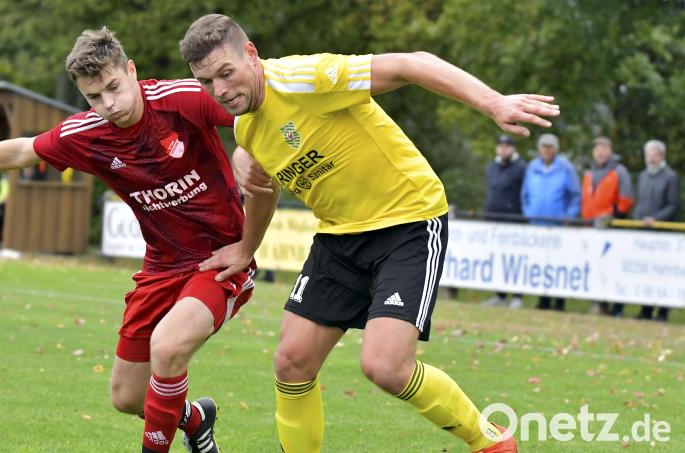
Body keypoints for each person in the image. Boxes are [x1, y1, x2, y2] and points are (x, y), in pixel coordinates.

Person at [181, 14, 560, 453]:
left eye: (226, 73)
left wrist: (492, 102)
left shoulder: (306, 78)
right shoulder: (248, 128)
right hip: (340, 237)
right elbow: (262, 192)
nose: (221, 91)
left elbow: (410, 63)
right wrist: (247, 248)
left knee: (385, 367)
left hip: (408, 221)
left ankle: (492, 443)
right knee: (291, 361)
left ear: (251, 55)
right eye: (207, 83)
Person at [0, 27, 277, 453]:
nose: (109, 104)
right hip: (161, 267)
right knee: (127, 397)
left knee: (168, 346)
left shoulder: (181, 98)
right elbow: (21, 150)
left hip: (219, 259)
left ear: (131, 70)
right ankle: (195, 420)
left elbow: (255, 113)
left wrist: (244, 152)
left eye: (114, 87)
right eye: (94, 97)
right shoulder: (87, 134)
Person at [521, 133, 580, 311]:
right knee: (539, 262)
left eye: (550, 147)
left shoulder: (565, 167)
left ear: (556, 149)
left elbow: (575, 196)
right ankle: (543, 300)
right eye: (544, 147)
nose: (547, 150)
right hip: (536, 224)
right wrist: (529, 213)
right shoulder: (532, 167)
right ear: (539, 149)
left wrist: (569, 215)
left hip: (558, 225)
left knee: (558, 262)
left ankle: (559, 302)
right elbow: (524, 195)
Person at [581, 136, 633, 317]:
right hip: (591, 228)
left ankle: (616, 308)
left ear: (610, 151)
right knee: (595, 267)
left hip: (611, 229)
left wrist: (614, 218)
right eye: (597, 149)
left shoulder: (619, 171)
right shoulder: (589, 173)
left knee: (613, 268)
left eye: (603, 148)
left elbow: (626, 200)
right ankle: (597, 303)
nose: (600, 152)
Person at [633, 139, 680, 321]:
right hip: (644, 234)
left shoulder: (670, 177)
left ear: (662, 156)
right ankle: (645, 310)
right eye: (648, 154)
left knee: (662, 272)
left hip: (662, 235)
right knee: (645, 271)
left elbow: (673, 205)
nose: (651, 158)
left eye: (654, 154)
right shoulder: (643, 175)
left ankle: (662, 312)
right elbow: (639, 203)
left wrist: (657, 219)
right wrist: (639, 219)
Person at [482, 134, 525, 308]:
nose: (503, 148)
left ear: (513, 148)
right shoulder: (493, 166)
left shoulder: (521, 167)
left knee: (514, 258)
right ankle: (499, 295)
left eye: (507, 145)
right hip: (494, 219)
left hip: (513, 219)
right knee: (497, 257)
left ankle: (517, 295)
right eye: (500, 145)